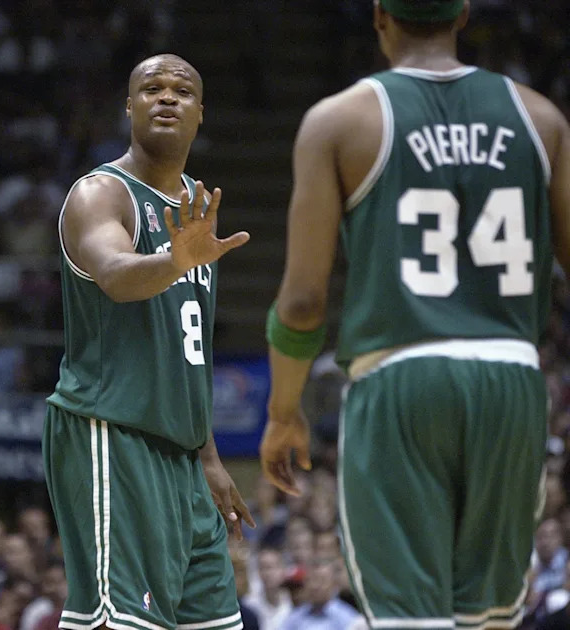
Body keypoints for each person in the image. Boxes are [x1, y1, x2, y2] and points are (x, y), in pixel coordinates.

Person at [261, 0, 570, 628]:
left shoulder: (339, 121)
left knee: (410, 620)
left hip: (400, 377)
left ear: (378, 16)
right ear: (463, 15)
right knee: (488, 619)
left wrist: (284, 410)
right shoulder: (541, 119)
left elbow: (302, 301)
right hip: (510, 378)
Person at [45, 53, 254, 630]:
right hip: (113, 431)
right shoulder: (101, 194)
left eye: (182, 90)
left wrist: (207, 455)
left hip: (182, 454)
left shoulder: (194, 206)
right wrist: (172, 257)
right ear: (129, 106)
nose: (167, 97)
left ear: (201, 112)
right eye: (152, 88)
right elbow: (114, 275)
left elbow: (189, 348)